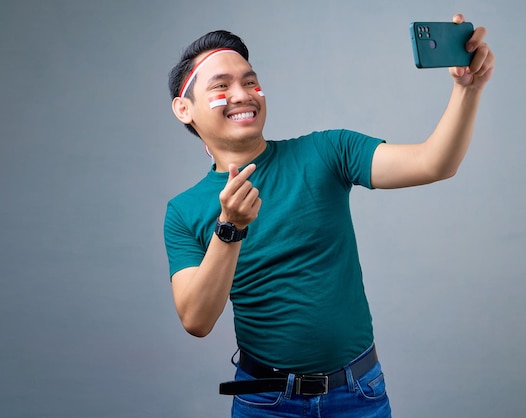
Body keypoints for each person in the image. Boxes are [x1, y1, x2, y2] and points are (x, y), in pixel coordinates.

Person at [164, 13, 494, 418]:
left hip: (358, 394)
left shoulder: (327, 152)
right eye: (222, 85)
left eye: (250, 81)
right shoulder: (183, 211)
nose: (243, 93)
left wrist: (468, 90)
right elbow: (196, 319)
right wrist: (229, 228)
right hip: (265, 403)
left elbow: (434, 162)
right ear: (184, 108)